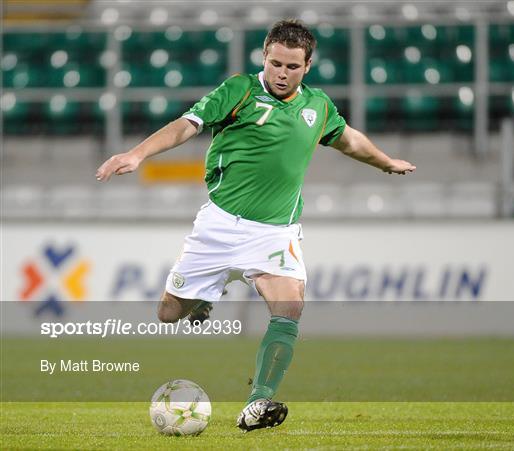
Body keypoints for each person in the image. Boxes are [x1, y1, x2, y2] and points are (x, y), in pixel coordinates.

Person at [96, 19, 415, 432]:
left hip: (275, 232)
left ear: (308, 66)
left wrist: (386, 162)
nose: (281, 73)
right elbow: (186, 125)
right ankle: (208, 293)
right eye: (274, 63)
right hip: (220, 225)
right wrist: (139, 154)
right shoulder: (240, 90)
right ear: (264, 57)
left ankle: (257, 402)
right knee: (168, 314)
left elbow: (349, 139)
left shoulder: (317, 107)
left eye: (292, 67)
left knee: (290, 308)